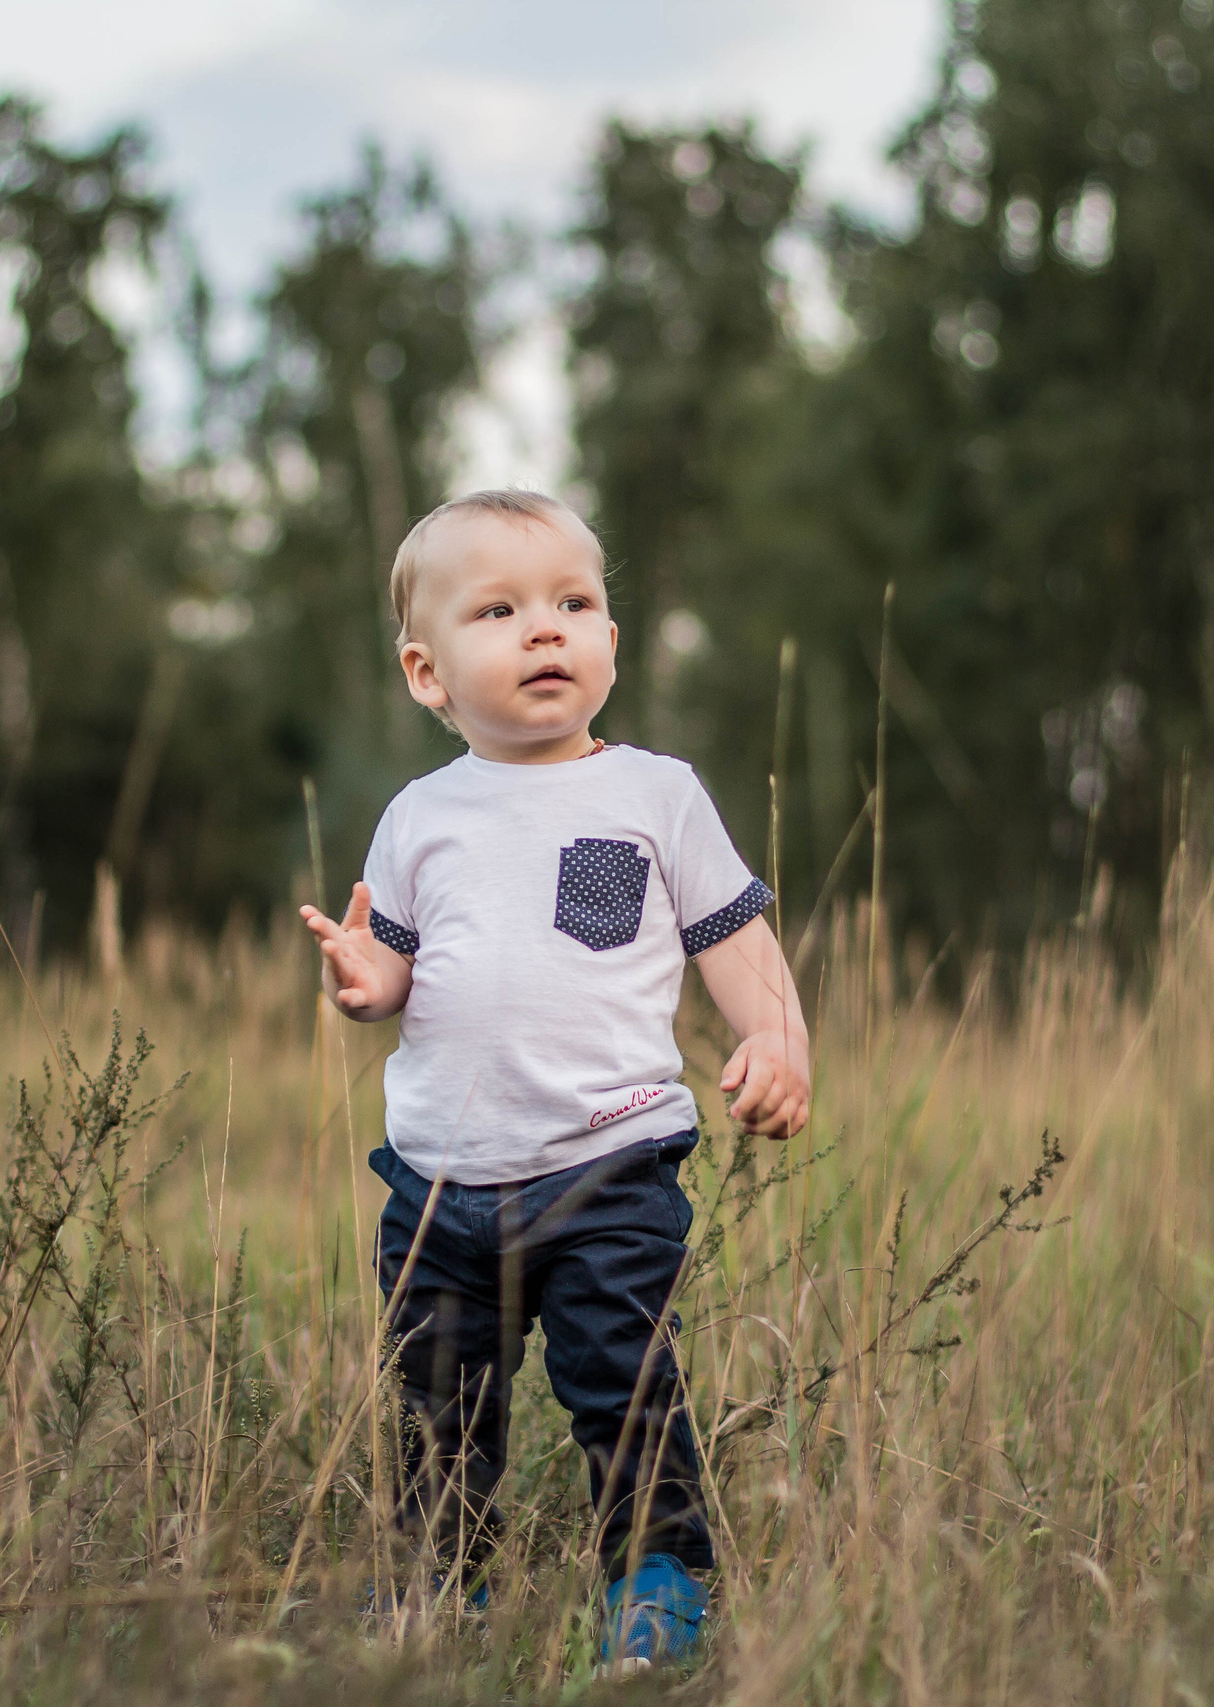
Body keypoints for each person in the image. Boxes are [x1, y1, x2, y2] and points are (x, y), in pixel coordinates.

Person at [300, 489, 811, 1673]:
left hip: (608, 1164)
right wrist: (365, 982)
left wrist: (779, 1042)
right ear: (427, 673)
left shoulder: (654, 795)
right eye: (498, 612)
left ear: (610, 645)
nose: (543, 629)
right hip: (438, 1184)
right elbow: (400, 969)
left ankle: (656, 1579)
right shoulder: (419, 817)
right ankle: (441, 1582)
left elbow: (734, 940)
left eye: (572, 604)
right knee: (435, 1404)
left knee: (620, 1380)